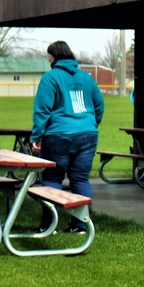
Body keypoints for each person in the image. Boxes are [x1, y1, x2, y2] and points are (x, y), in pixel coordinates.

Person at [30, 41, 104, 235]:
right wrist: (90, 124)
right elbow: (99, 105)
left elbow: (43, 109)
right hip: (87, 134)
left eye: (48, 57)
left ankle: (49, 225)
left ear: (53, 57)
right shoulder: (86, 78)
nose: (47, 60)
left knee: (52, 179)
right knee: (80, 179)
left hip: (58, 135)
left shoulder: (51, 78)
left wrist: (37, 135)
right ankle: (81, 226)